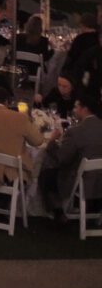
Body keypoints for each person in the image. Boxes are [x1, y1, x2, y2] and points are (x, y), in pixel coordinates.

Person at [40, 91, 102, 220]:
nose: (74, 110)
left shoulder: (75, 132)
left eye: (75, 107)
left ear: (84, 109)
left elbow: (62, 159)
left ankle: (58, 212)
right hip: (99, 179)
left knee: (47, 173)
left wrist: (52, 141)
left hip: (82, 181)